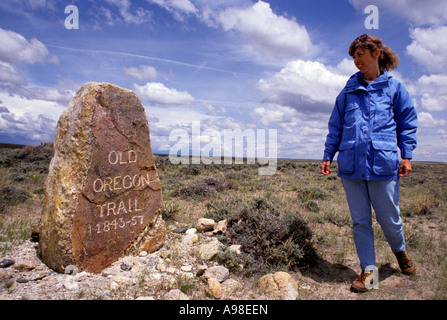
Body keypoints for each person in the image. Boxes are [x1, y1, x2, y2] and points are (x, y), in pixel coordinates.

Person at [321, 34, 418, 293]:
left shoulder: (395, 88)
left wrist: (406, 155)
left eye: (360, 55)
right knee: (360, 221)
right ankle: (368, 271)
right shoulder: (348, 91)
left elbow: (407, 124)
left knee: (390, 219)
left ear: (376, 53)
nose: (356, 60)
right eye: (353, 56)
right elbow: (336, 126)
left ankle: (400, 252)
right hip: (351, 167)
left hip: (383, 165)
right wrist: (328, 155)